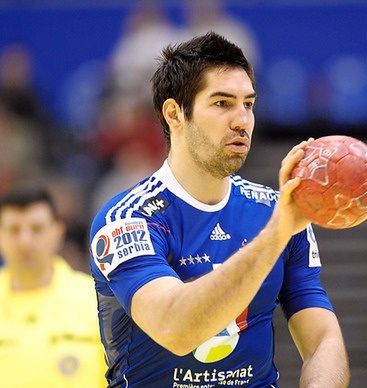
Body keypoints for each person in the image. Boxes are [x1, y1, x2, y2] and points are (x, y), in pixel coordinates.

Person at [89, 31, 349, 387]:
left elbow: (323, 340)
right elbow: (177, 330)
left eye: (249, 104)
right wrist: (277, 231)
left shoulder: (277, 210)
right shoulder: (128, 220)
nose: (242, 120)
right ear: (174, 113)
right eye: (222, 103)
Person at [0, 185, 106, 387]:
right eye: (14, 230)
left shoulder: (96, 301)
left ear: (58, 232)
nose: (25, 241)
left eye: (36, 229)